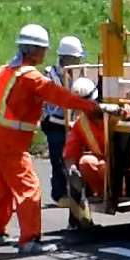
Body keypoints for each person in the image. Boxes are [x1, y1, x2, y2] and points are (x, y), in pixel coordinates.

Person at [0, 23, 107, 254]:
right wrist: (90, 107)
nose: (45, 54)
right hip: (13, 141)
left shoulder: (3, 71)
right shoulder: (31, 77)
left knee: (3, 188)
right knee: (29, 189)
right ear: (35, 51)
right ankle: (30, 240)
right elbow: (59, 96)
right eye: (43, 49)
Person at [63, 78, 130, 204]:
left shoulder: (121, 110)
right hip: (105, 161)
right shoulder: (81, 124)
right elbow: (71, 151)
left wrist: (120, 112)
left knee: (105, 166)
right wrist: (72, 169)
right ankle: (105, 195)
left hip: (129, 160)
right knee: (87, 162)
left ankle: (123, 190)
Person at [40, 36, 86, 209]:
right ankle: (59, 194)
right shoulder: (50, 74)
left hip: (75, 123)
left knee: (74, 158)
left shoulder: (80, 72)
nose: (77, 60)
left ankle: (74, 192)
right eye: (75, 58)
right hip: (55, 123)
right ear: (65, 57)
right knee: (58, 159)